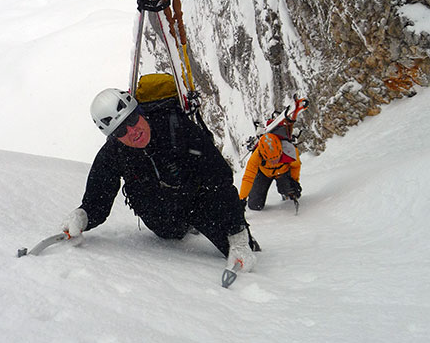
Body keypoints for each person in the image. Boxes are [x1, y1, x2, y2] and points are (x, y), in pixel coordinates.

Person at [60, 87, 259, 272]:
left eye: (132, 120)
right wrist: (82, 217)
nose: (132, 131)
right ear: (114, 136)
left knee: (245, 251)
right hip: (161, 219)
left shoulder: (176, 128)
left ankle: (223, 233)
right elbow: (98, 199)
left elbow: (220, 180)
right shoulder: (114, 153)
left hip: (196, 204)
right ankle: (186, 227)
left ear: (139, 111)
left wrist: (238, 235)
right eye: (121, 131)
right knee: (172, 234)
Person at [239, 130, 302, 211]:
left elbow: (295, 166)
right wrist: (242, 198)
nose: (274, 162)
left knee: (294, 193)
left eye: (277, 158)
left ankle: (285, 192)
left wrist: (294, 181)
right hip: (264, 174)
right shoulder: (256, 156)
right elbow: (248, 177)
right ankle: (284, 190)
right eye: (271, 160)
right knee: (254, 205)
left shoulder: (290, 151)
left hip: (282, 172)